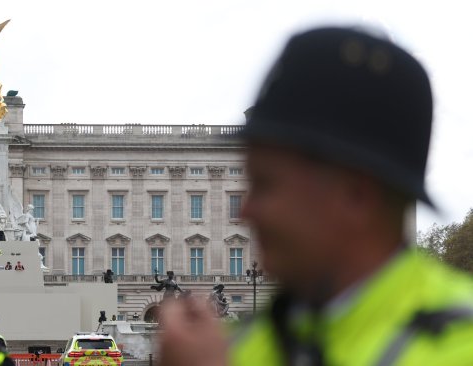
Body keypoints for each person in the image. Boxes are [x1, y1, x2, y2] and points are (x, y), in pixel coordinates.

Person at [156, 26, 473, 366]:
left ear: (356, 195)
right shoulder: (247, 340)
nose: (245, 212)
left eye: (266, 185)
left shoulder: (460, 341)